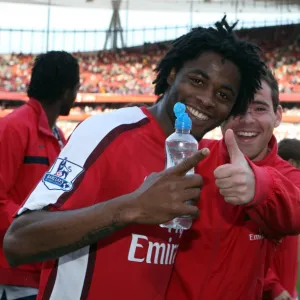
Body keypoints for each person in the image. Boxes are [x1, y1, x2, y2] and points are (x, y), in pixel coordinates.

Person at [3, 17, 266, 300]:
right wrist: (132, 207)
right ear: (172, 73)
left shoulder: (198, 157)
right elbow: (19, 241)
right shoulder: (106, 131)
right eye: (197, 81)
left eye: (224, 94)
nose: (207, 99)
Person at [166, 69, 300, 299]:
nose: (247, 119)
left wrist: (260, 185)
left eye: (259, 108)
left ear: (278, 115)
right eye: (238, 108)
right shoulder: (194, 154)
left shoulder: (288, 174)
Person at [0, 51, 80, 300]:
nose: (76, 96)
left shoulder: (57, 136)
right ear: (67, 91)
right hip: (13, 273)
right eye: (76, 89)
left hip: (41, 268)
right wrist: (33, 235)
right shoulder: (14, 127)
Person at [263, 138, 300, 300]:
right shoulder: (269, 196)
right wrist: (273, 286)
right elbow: (252, 246)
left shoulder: (290, 196)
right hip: (271, 293)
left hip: (285, 289)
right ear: (293, 163)